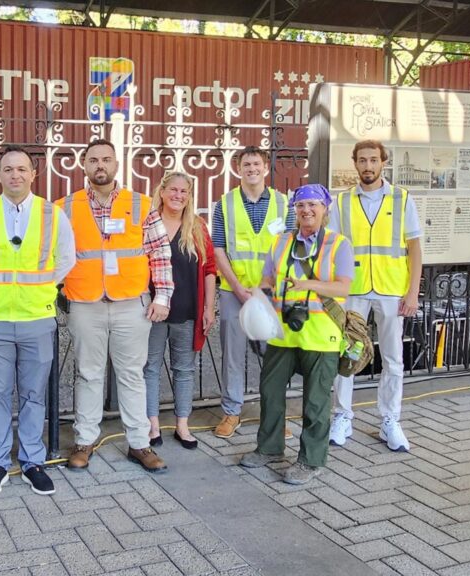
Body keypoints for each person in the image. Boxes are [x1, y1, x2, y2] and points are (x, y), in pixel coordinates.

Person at [59, 139, 172, 473]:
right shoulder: (66, 206)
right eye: (93, 159)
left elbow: (159, 252)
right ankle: (84, 441)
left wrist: (163, 297)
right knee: (88, 374)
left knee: (132, 375)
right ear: (84, 164)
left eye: (106, 159)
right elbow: (55, 254)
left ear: (116, 164)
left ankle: (140, 443)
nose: (100, 166)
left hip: (131, 304)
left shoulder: (139, 203)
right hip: (85, 303)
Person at [0, 145, 75, 498]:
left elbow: (66, 260)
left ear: (33, 174)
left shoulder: (52, 214)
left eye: (22, 169)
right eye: (8, 169)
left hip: (36, 317)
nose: (15, 175)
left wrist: (42, 288)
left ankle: (33, 462)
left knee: (33, 395)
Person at [239, 184, 354, 485]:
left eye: (314, 205)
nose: (307, 211)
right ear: (295, 210)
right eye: (301, 206)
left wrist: (309, 286)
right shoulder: (280, 242)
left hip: (321, 334)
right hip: (283, 332)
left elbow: (343, 287)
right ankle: (269, 449)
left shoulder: (338, 244)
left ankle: (311, 460)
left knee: (315, 402)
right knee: (270, 392)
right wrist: (260, 290)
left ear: (325, 210)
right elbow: (268, 277)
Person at [328, 140, 422, 452]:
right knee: (348, 354)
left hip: (391, 289)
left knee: (393, 358)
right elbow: (334, 247)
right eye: (362, 160)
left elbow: (414, 248)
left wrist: (412, 292)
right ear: (354, 163)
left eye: (373, 160)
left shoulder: (402, 198)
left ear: (383, 163)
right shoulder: (341, 202)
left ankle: (390, 420)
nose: (368, 166)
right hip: (353, 289)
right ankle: (342, 415)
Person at [211, 146, 294, 439]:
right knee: (232, 356)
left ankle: (274, 415)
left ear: (265, 168)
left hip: (270, 293)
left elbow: (289, 248)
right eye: (246, 164)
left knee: (272, 357)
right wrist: (237, 287)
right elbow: (218, 249)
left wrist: (266, 287)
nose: (252, 169)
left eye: (256, 164)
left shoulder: (284, 204)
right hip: (234, 291)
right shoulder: (224, 204)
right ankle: (232, 412)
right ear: (239, 169)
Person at [143, 172, 217, 450]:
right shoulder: (148, 223)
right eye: (173, 190)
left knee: (184, 369)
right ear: (161, 192)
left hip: (187, 311)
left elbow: (210, 270)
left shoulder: (197, 226)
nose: (178, 195)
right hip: (154, 311)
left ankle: (182, 426)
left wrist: (209, 308)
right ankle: (152, 425)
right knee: (149, 367)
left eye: (184, 192)